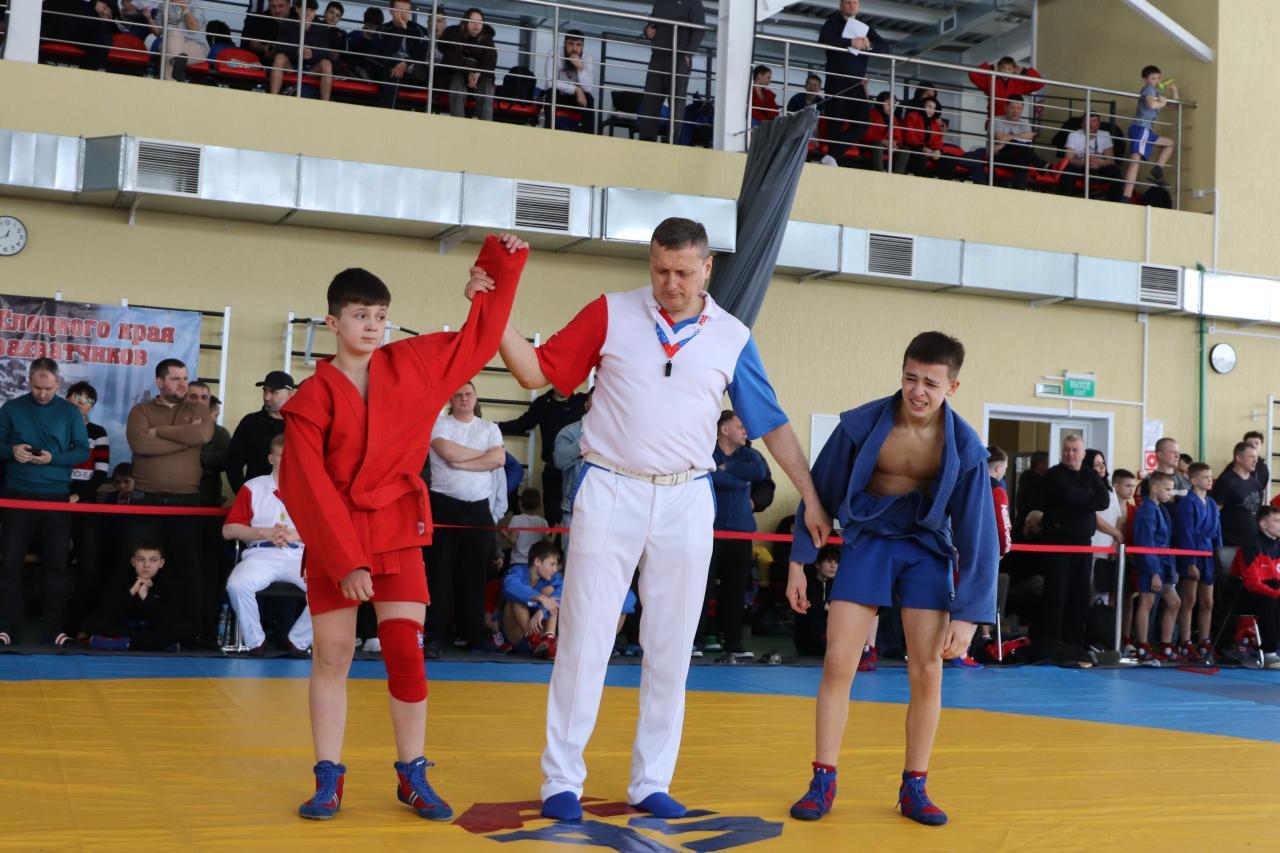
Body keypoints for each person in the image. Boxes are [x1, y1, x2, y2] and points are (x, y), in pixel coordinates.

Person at [497, 217, 830, 821]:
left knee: (672, 644)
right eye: (659, 270)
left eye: (682, 272)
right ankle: (561, 780)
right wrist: (494, 306)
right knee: (585, 636)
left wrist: (808, 495)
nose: (669, 283)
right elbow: (533, 372)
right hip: (610, 487)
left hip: (686, 496)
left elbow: (772, 423)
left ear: (707, 269)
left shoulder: (732, 335)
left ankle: (651, 779)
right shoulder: (611, 312)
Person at [278, 232, 527, 821]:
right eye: (360, 316)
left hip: (396, 527)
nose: (372, 326)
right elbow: (305, 485)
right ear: (333, 322)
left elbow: (475, 343)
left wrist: (494, 275)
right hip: (338, 535)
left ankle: (412, 774)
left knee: (406, 655)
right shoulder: (313, 397)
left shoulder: (410, 364)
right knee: (333, 654)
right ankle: (327, 777)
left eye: (380, 316)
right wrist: (345, 560)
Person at [785, 332, 995, 825]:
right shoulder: (861, 426)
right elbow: (820, 494)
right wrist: (798, 562)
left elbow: (978, 533)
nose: (918, 391)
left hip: (926, 549)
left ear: (953, 387)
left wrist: (969, 615)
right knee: (839, 661)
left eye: (931, 384)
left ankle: (915, 787)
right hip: (870, 541)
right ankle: (822, 781)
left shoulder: (964, 447)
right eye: (910, 378)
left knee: (928, 669)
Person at [0, 359, 89, 646]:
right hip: (17, 493)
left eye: (48, 388)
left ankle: (54, 630)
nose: (42, 393)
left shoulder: (70, 412)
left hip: (55, 496)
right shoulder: (12, 408)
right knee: (10, 564)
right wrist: (12, 450)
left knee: (57, 566)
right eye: (37, 387)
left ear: (58, 384)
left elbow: (82, 452)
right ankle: (7, 628)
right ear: (28, 382)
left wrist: (54, 458)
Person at [125, 358, 214, 639]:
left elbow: (203, 434)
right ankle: (129, 625)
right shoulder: (141, 410)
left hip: (186, 502)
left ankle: (192, 630)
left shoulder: (198, 409)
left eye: (185, 378)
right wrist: (184, 441)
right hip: (146, 500)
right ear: (160, 382)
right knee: (135, 565)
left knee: (189, 568)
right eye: (175, 379)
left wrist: (159, 432)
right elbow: (141, 444)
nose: (182, 384)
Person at [427, 381, 505, 654]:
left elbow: (499, 460)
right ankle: (434, 638)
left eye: (468, 394)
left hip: (478, 509)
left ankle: (475, 638)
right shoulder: (441, 424)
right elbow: (447, 453)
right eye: (458, 395)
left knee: (475, 576)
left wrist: (462, 461)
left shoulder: (489, 428)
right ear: (451, 399)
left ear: (476, 397)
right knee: (439, 575)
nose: (464, 398)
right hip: (443, 505)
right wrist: (484, 456)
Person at [223, 434, 312, 657]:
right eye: (283, 456)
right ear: (271, 459)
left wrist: (295, 535)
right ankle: (256, 642)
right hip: (261, 553)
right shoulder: (253, 487)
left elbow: (325, 531)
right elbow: (229, 530)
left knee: (333, 590)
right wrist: (266, 532)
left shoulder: (311, 489)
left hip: (300, 555)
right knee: (237, 585)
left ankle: (298, 642)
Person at [701, 410, 768, 660]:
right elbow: (709, 475)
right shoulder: (706, 451)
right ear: (724, 429)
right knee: (701, 588)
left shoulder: (750, 455)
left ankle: (733, 643)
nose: (745, 431)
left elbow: (759, 473)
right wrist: (740, 481)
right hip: (709, 531)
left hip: (741, 533)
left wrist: (727, 468)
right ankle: (695, 641)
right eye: (740, 426)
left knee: (736, 590)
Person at [1037, 434, 1110, 661]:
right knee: (1057, 594)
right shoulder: (1054, 474)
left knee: (1079, 595)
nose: (1070, 454)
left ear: (1083, 453)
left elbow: (1103, 501)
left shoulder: (1090, 474)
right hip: (1057, 544)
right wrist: (1086, 497)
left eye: (1074, 450)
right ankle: (1052, 643)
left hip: (1083, 545)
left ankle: (1074, 644)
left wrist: (1081, 497)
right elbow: (1069, 495)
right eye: (1066, 449)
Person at [497, 387, 588, 529]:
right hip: (552, 470)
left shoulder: (581, 401)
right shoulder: (542, 403)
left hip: (577, 471)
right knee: (552, 518)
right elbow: (522, 424)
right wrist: (495, 427)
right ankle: (553, 544)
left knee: (578, 517)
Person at [84, 541, 195, 651]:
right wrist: (132, 592)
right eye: (141, 560)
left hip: (154, 628)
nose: (146, 565)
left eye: (153, 560)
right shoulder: (120, 578)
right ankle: (160, 645)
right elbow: (109, 613)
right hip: (128, 627)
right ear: (133, 562)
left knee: (187, 627)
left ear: (161, 563)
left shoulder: (170, 582)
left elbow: (168, 617)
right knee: (92, 622)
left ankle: (125, 643)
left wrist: (145, 597)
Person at [64, 381, 110, 636]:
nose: (81, 403)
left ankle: (74, 624)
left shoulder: (98, 432)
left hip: (86, 505)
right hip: (54, 503)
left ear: (93, 406)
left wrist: (78, 496)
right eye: (77, 398)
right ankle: (52, 623)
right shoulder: (56, 428)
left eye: (88, 400)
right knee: (55, 565)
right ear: (67, 399)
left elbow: (101, 473)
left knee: (89, 567)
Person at [817, 0, 889, 148]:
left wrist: (870, 45)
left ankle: (832, 156)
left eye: (855, 2)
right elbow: (824, 40)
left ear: (859, 6)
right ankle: (833, 157)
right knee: (835, 123)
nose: (852, 5)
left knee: (863, 122)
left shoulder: (865, 27)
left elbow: (885, 47)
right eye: (848, 2)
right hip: (836, 80)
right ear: (841, 6)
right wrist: (850, 42)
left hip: (856, 82)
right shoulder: (833, 22)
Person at [637, 0, 707, 142]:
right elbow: (652, 23)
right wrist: (647, 31)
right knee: (650, 101)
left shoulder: (694, 2)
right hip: (657, 55)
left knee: (676, 103)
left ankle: (672, 142)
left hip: (680, 58)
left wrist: (688, 54)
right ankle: (646, 142)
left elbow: (699, 29)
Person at [1130, 471, 1179, 664]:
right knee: (1146, 602)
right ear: (1155, 488)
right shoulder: (1147, 511)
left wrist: (1170, 569)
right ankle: (1142, 646)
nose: (1170, 493)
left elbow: (1164, 542)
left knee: (1174, 602)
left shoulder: (1161, 509)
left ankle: (1166, 645)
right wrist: (1154, 572)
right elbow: (1145, 543)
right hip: (1150, 564)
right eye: (1167, 489)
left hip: (1163, 563)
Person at [1173, 462, 1220, 663]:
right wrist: (1190, 561)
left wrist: (1218, 555)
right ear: (1193, 480)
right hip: (1192, 551)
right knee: (1189, 599)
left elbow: (1217, 532)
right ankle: (1185, 641)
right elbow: (1184, 533)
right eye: (1205, 477)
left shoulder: (1211, 503)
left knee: (1208, 601)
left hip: (1208, 554)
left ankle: (1204, 640)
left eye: (1210, 476)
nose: (1210, 480)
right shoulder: (1187, 503)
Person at [226, 371, 296, 495]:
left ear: (290, 394)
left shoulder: (301, 425)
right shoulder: (250, 422)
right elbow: (233, 463)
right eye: (265, 391)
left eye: (273, 392)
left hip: (294, 499)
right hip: (257, 498)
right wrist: (245, 495)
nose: (266, 397)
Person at [1122, 65, 1179, 201]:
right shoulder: (1148, 89)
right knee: (1135, 160)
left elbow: (1174, 105)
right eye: (1153, 78)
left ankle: (1157, 169)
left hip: (1146, 130)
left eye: (1158, 78)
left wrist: (1174, 89)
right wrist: (1163, 103)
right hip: (1141, 127)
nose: (1157, 81)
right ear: (1145, 79)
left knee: (1169, 143)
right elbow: (1152, 105)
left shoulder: (1156, 93)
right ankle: (1126, 196)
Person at [1233, 505, 1280, 668]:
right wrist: (1276, 593)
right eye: (1276, 521)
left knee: (1272, 597)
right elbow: (1251, 583)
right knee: (1270, 600)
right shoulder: (1252, 545)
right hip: (1242, 594)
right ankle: (1269, 654)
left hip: (1268, 590)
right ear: (1263, 524)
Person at [501, 539, 563, 658]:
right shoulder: (518, 570)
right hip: (518, 635)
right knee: (516, 597)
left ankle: (549, 639)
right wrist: (541, 598)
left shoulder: (554, 578)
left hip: (541, 635)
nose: (555, 569)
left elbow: (561, 591)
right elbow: (509, 585)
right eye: (552, 564)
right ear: (538, 561)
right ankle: (532, 639)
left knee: (551, 594)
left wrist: (542, 610)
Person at [1212, 440, 1264, 568]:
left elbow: (1258, 512)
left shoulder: (1255, 483)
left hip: (1252, 543)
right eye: (1251, 457)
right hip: (1231, 544)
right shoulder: (1226, 481)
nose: (1255, 461)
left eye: (1256, 457)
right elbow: (1214, 512)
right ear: (1239, 458)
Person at [271, 0, 335, 101]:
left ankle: (325, 104)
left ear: (315, 12)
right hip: (291, 66)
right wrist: (297, 51)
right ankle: (273, 98)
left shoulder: (322, 28)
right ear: (298, 9)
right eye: (305, 9)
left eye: (312, 10)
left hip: (311, 69)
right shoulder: (287, 24)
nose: (308, 13)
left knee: (327, 64)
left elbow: (325, 52)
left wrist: (312, 54)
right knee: (279, 58)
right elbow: (280, 47)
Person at [440, 8, 496, 121]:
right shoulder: (454, 33)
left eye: (479, 22)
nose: (476, 25)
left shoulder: (487, 38)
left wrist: (477, 74)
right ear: (465, 22)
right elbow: (450, 59)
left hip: (479, 77)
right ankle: (458, 124)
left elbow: (490, 61)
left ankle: (486, 126)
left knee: (487, 89)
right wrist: (468, 72)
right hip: (458, 73)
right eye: (473, 21)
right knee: (457, 84)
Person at [376, 0, 431, 109]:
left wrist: (405, 63)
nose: (403, 14)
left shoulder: (419, 30)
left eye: (406, 11)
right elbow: (388, 52)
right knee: (392, 70)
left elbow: (421, 54)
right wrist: (401, 30)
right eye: (399, 10)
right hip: (389, 69)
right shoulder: (383, 29)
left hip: (413, 71)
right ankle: (388, 112)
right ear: (391, 11)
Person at [41, 0, 119, 71]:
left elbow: (116, 22)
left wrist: (112, 16)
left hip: (86, 26)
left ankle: (82, 79)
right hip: (54, 15)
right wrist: (93, 2)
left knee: (104, 41)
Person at [1060, 113, 1123, 200]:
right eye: (1087, 121)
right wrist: (1083, 162)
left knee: (1115, 171)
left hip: (1098, 168)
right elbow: (1068, 159)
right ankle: (1065, 201)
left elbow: (1111, 160)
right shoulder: (1073, 135)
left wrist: (1100, 163)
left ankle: (1114, 203)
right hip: (1080, 166)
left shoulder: (1105, 135)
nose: (1091, 124)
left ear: (1099, 123)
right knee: (1068, 170)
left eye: (1094, 121)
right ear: (1082, 124)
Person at [544, 30, 596, 135]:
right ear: (564, 44)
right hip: (559, 96)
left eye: (578, 45)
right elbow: (550, 82)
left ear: (583, 46)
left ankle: (588, 137)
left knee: (589, 99)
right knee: (551, 94)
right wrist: (576, 89)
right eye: (571, 44)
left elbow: (588, 88)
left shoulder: (587, 58)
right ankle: (548, 132)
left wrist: (580, 69)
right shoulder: (555, 53)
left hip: (576, 99)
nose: (574, 49)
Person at [187, 382, 230, 506]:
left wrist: (193, 457)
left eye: (204, 398)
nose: (199, 402)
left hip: (207, 499)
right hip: (174, 500)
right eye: (193, 397)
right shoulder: (172, 425)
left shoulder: (220, 433)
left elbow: (228, 459)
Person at [793, 544, 840, 657]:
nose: (833, 566)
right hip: (808, 641)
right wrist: (824, 606)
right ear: (818, 564)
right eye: (829, 561)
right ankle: (824, 641)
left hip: (831, 641)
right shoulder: (806, 583)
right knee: (811, 608)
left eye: (836, 562)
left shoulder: (839, 585)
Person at [968, 55, 1043, 124]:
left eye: (1009, 68)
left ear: (1014, 70)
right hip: (995, 121)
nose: (1006, 71)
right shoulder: (991, 80)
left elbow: (1039, 84)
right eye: (1003, 68)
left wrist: (1025, 71)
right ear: (998, 68)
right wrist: (991, 67)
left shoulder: (1019, 82)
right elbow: (973, 75)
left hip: (1012, 121)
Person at [990, 96, 1043, 190]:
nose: (1015, 111)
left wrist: (1007, 141)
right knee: (1021, 152)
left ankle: (1018, 191)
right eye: (1012, 107)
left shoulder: (1025, 124)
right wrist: (1020, 136)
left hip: (1017, 157)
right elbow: (1001, 138)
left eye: (1019, 108)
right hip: (997, 156)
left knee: (1022, 160)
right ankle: (1042, 166)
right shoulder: (997, 120)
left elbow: (1028, 143)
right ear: (1006, 108)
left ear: (1022, 109)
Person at [894, 96, 953, 180]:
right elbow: (909, 136)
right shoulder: (912, 116)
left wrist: (938, 150)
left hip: (929, 151)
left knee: (949, 159)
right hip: (913, 148)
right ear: (922, 106)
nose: (931, 110)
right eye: (929, 107)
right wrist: (923, 148)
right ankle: (925, 181)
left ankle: (944, 184)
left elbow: (938, 139)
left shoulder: (934, 122)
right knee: (920, 155)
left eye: (933, 108)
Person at [503, 488, 547, 568]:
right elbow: (548, 543)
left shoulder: (516, 519)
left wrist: (504, 533)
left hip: (517, 562)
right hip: (536, 564)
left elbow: (512, 541)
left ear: (521, 503)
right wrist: (555, 533)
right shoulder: (543, 522)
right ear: (539, 504)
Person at [242, 0, 291, 64]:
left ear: (289, 5)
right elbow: (252, 42)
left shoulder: (297, 18)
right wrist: (264, 48)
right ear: (269, 6)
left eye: (281, 6)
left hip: (290, 63)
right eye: (273, 6)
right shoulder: (262, 18)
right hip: (263, 62)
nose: (277, 10)